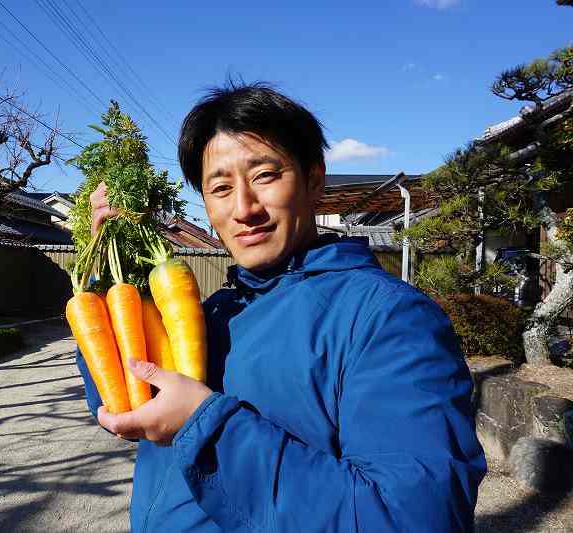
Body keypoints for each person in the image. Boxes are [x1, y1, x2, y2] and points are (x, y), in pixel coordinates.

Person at [77, 82, 486, 532]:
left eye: (265, 176)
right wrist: (113, 283)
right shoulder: (215, 311)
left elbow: (411, 519)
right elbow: (127, 405)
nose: (244, 208)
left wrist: (207, 428)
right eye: (219, 188)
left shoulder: (388, 319)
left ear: (314, 180)